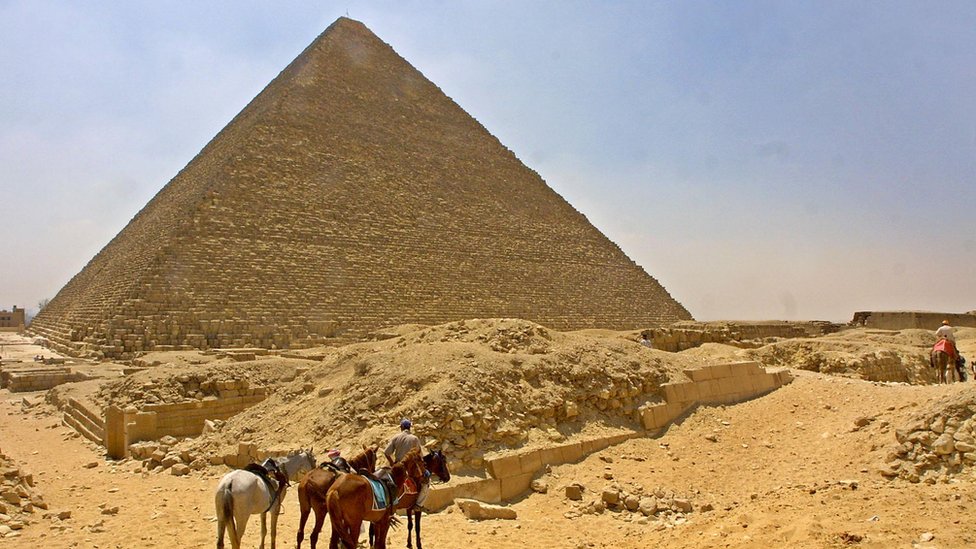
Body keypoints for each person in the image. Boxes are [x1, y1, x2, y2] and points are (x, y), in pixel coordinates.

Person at [384, 418, 428, 508]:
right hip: (409, 468)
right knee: (426, 482)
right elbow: (420, 455)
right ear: (410, 427)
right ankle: (418, 505)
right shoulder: (414, 438)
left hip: (396, 465)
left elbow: (386, 452)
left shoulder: (396, 437)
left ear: (401, 427)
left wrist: (392, 463)